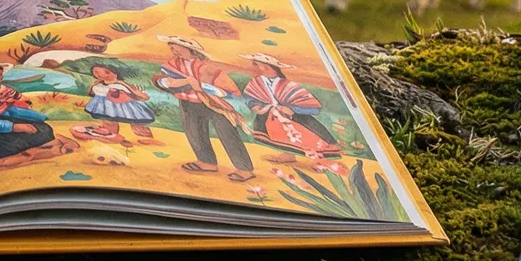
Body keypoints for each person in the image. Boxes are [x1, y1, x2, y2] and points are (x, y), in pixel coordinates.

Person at [152, 35, 254, 181]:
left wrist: (200, 87)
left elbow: (227, 90)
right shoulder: (172, 65)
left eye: (177, 48)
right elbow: (162, 80)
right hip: (188, 102)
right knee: (194, 132)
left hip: (214, 104)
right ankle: (206, 162)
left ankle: (244, 169)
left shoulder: (208, 67)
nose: (174, 51)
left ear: (190, 49)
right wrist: (177, 82)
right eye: (172, 48)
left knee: (226, 132)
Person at [239, 53, 343, 159]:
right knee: (280, 136)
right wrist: (255, 106)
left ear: (275, 69)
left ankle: (323, 152)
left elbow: (308, 102)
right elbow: (251, 96)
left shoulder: (287, 85)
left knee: (304, 132)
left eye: (266, 67)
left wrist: (293, 109)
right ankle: (288, 155)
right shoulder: (257, 82)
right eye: (260, 66)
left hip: (293, 115)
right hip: (268, 115)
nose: (264, 70)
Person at [75, 64, 158, 145]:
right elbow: (94, 93)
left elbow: (133, 95)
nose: (100, 74)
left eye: (106, 72)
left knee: (137, 124)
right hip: (104, 107)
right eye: (96, 72)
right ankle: (113, 137)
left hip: (123, 107)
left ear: (115, 73)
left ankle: (148, 140)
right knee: (108, 123)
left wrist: (120, 95)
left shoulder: (121, 85)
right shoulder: (97, 84)